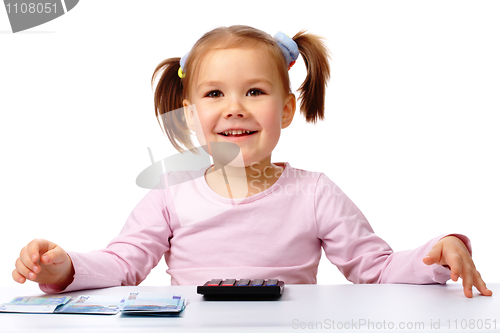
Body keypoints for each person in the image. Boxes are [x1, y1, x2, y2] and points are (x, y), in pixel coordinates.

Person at [12, 25, 492, 298]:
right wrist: (64, 269)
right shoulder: (170, 191)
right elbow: (122, 263)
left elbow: (377, 268)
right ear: (192, 112)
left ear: (285, 110)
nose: (235, 106)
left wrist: (437, 251)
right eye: (215, 93)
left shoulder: (315, 192)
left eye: (255, 92)